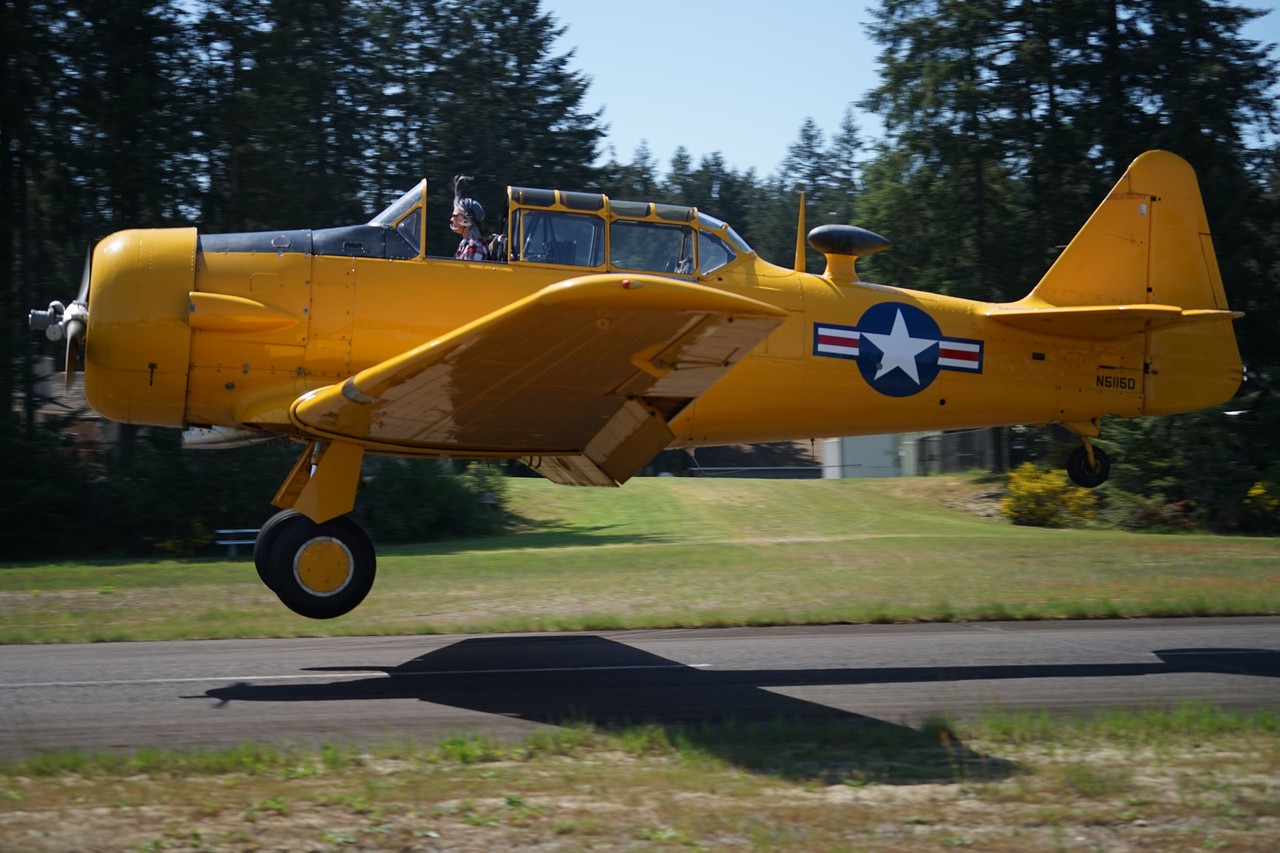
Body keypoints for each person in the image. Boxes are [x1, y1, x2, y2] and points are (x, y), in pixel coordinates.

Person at [450, 175, 489, 261]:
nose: (451, 219)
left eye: (455, 216)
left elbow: (466, 274)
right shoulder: (464, 243)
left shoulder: (474, 248)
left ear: (468, 220)